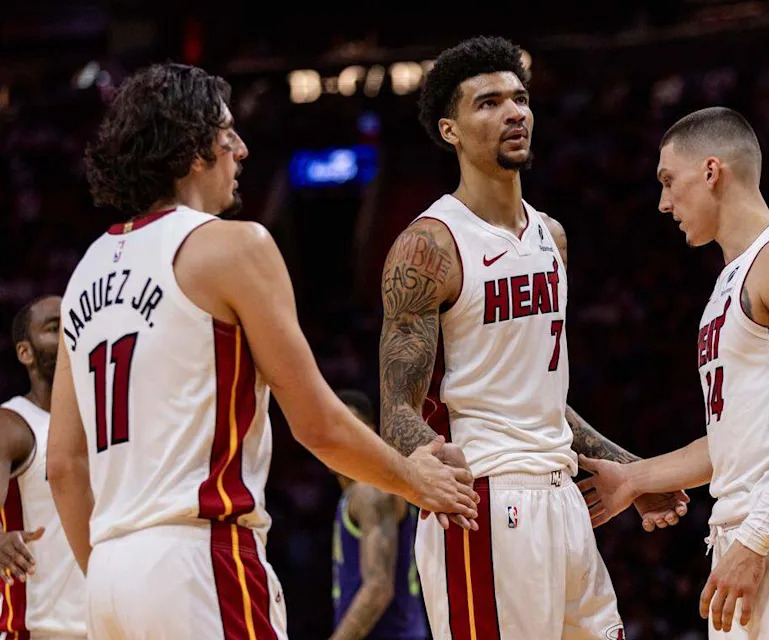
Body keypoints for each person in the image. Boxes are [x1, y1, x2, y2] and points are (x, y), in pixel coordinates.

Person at [46, 62, 478, 640]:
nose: (242, 149)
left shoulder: (83, 274)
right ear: (192, 147)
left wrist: (108, 573)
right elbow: (317, 424)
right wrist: (412, 478)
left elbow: (63, 466)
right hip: (200, 557)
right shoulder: (234, 246)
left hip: (107, 573)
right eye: (228, 132)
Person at [378, 36, 687, 639]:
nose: (514, 113)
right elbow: (396, 410)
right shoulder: (429, 246)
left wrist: (632, 472)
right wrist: (433, 464)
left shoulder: (552, 237)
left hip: (564, 499)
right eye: (489, 103)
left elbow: (541, 400)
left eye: (519, 99)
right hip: (485, 500)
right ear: (450, 131)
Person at [578, 106, 769, 639]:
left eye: (668, 181)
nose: (663, 202)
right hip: (746, 538)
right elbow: (738, 440)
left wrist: (755, 540)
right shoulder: (727, 284)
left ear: (712, 171)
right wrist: (635, 478)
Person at [0, 296, 86, 638]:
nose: (68, 335)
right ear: (25, 353)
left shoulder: (104, 424)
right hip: (36, 631)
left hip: (107, 624)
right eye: (54, 329)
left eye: (73, 325)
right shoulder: (12, 424)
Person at [331, 390, 428, 640]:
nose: (338, 437)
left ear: (370, 433)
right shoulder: (354, 494)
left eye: (349, 427)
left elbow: (378, 588)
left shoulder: (371, 492)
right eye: (332, 427)